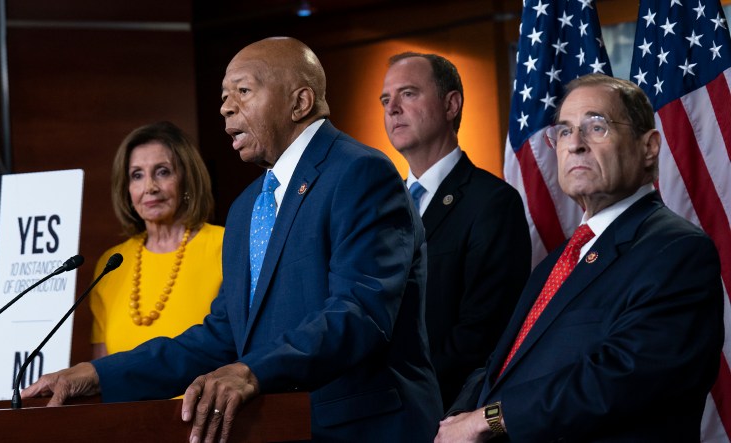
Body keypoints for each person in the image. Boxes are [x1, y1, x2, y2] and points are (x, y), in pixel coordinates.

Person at [23, 37, 443, 442]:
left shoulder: (359, 174)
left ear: (300, 102)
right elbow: (224, 336)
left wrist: (251, 371)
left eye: (243, 91)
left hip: (359, 428)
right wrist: (100, 375)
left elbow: (360, 311)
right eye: (225, 95)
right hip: (278, 429)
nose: (225, 107)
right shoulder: (247, 207)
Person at [435, 74, 724, 442]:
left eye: (596, 127)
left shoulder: (677, 251)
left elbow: (622, 375)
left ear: (649, 147)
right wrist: (458, 416)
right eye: (565, 132)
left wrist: (487, 419)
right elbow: (501, 364)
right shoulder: (557, 262)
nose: (575, 145)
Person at [380, 52, 532, 409]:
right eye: (386, 100)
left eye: (408, 93)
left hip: (446, 411)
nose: (392, 109)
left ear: (451, 104)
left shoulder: (493, 203)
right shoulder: (379, 208)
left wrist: (401, 390)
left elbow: (482, 333)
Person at [89, 121, 224, 358]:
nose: (150, 187)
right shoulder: (111, 263)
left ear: (186, 179)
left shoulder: (225, 246)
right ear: (127, 189)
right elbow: (102, 368)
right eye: (137, 175)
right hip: (125, 397)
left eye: (163, 172)